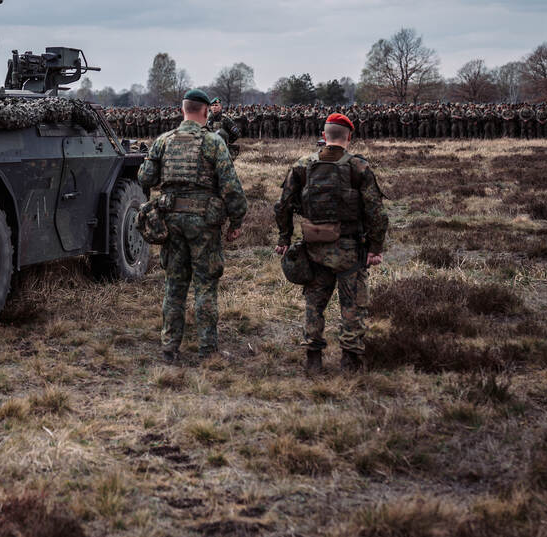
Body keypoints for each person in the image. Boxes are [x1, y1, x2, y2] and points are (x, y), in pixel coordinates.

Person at [137, 89, 248, 363]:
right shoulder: (213, 142)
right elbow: (231, 188)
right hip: (204, 224)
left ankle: (169, 348)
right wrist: (236, 221)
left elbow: (145, 178)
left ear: (182, 110)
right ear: (206, 111)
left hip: (171, 221)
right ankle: (208, 350)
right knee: (205, 285)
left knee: (174, 286)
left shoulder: (163, 141)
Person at [273, 112, 388, 374]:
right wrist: (375, 248)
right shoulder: (359, 167)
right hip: (349, 250)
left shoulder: (302, 165)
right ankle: (350, 360)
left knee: (314, 303)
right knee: (352, 305)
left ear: (324, 136)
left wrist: (284, 238)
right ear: (350, 137)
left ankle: (313, 358)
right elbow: (377, 212)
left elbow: (282, 205)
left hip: (314, 247)